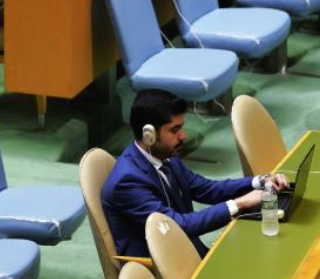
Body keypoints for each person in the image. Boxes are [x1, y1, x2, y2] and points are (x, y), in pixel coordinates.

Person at [102, 91, 289, 258]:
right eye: (174, 130)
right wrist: (240, 203)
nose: (183, 136)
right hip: (161, 272)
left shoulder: (166, 156)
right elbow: (176, 226)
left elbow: (205, 189)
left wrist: (260, 182)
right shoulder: (127, 182)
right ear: (149, 135)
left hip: (188, 252)